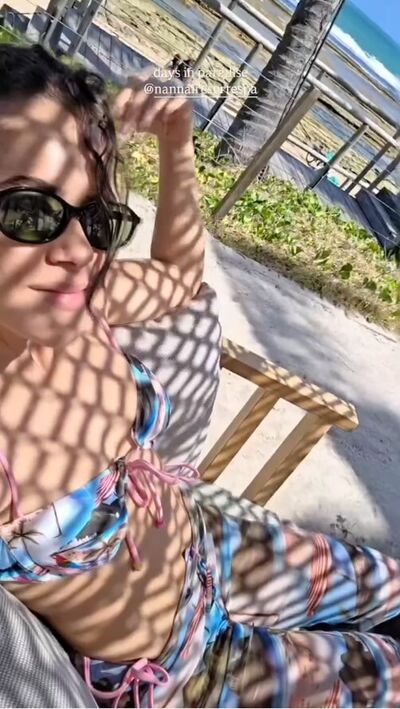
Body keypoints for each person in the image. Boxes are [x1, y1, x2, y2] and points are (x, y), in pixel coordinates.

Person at [0, 42, 400, 709]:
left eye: (96, 218)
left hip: (215, 543)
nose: (77, 250)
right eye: (29, 211)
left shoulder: (79, 301)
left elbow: (179, 277)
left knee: (389, 581)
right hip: (192, 664)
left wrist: (176, 134)